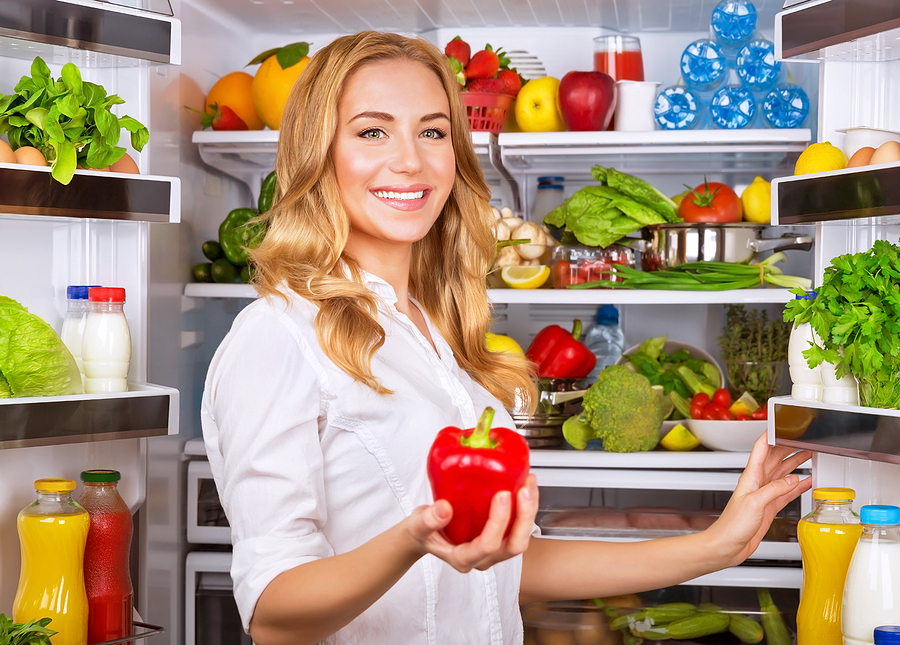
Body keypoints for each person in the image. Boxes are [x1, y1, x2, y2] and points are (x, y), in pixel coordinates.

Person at [200, 31, 811, 645]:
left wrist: (715, 547)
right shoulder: (278, 334)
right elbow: (275, 613)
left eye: (433, 131)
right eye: (372, 131)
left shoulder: (438, 331)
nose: (410, 159)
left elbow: (509, 570)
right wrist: (412, 541)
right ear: (318, 151)